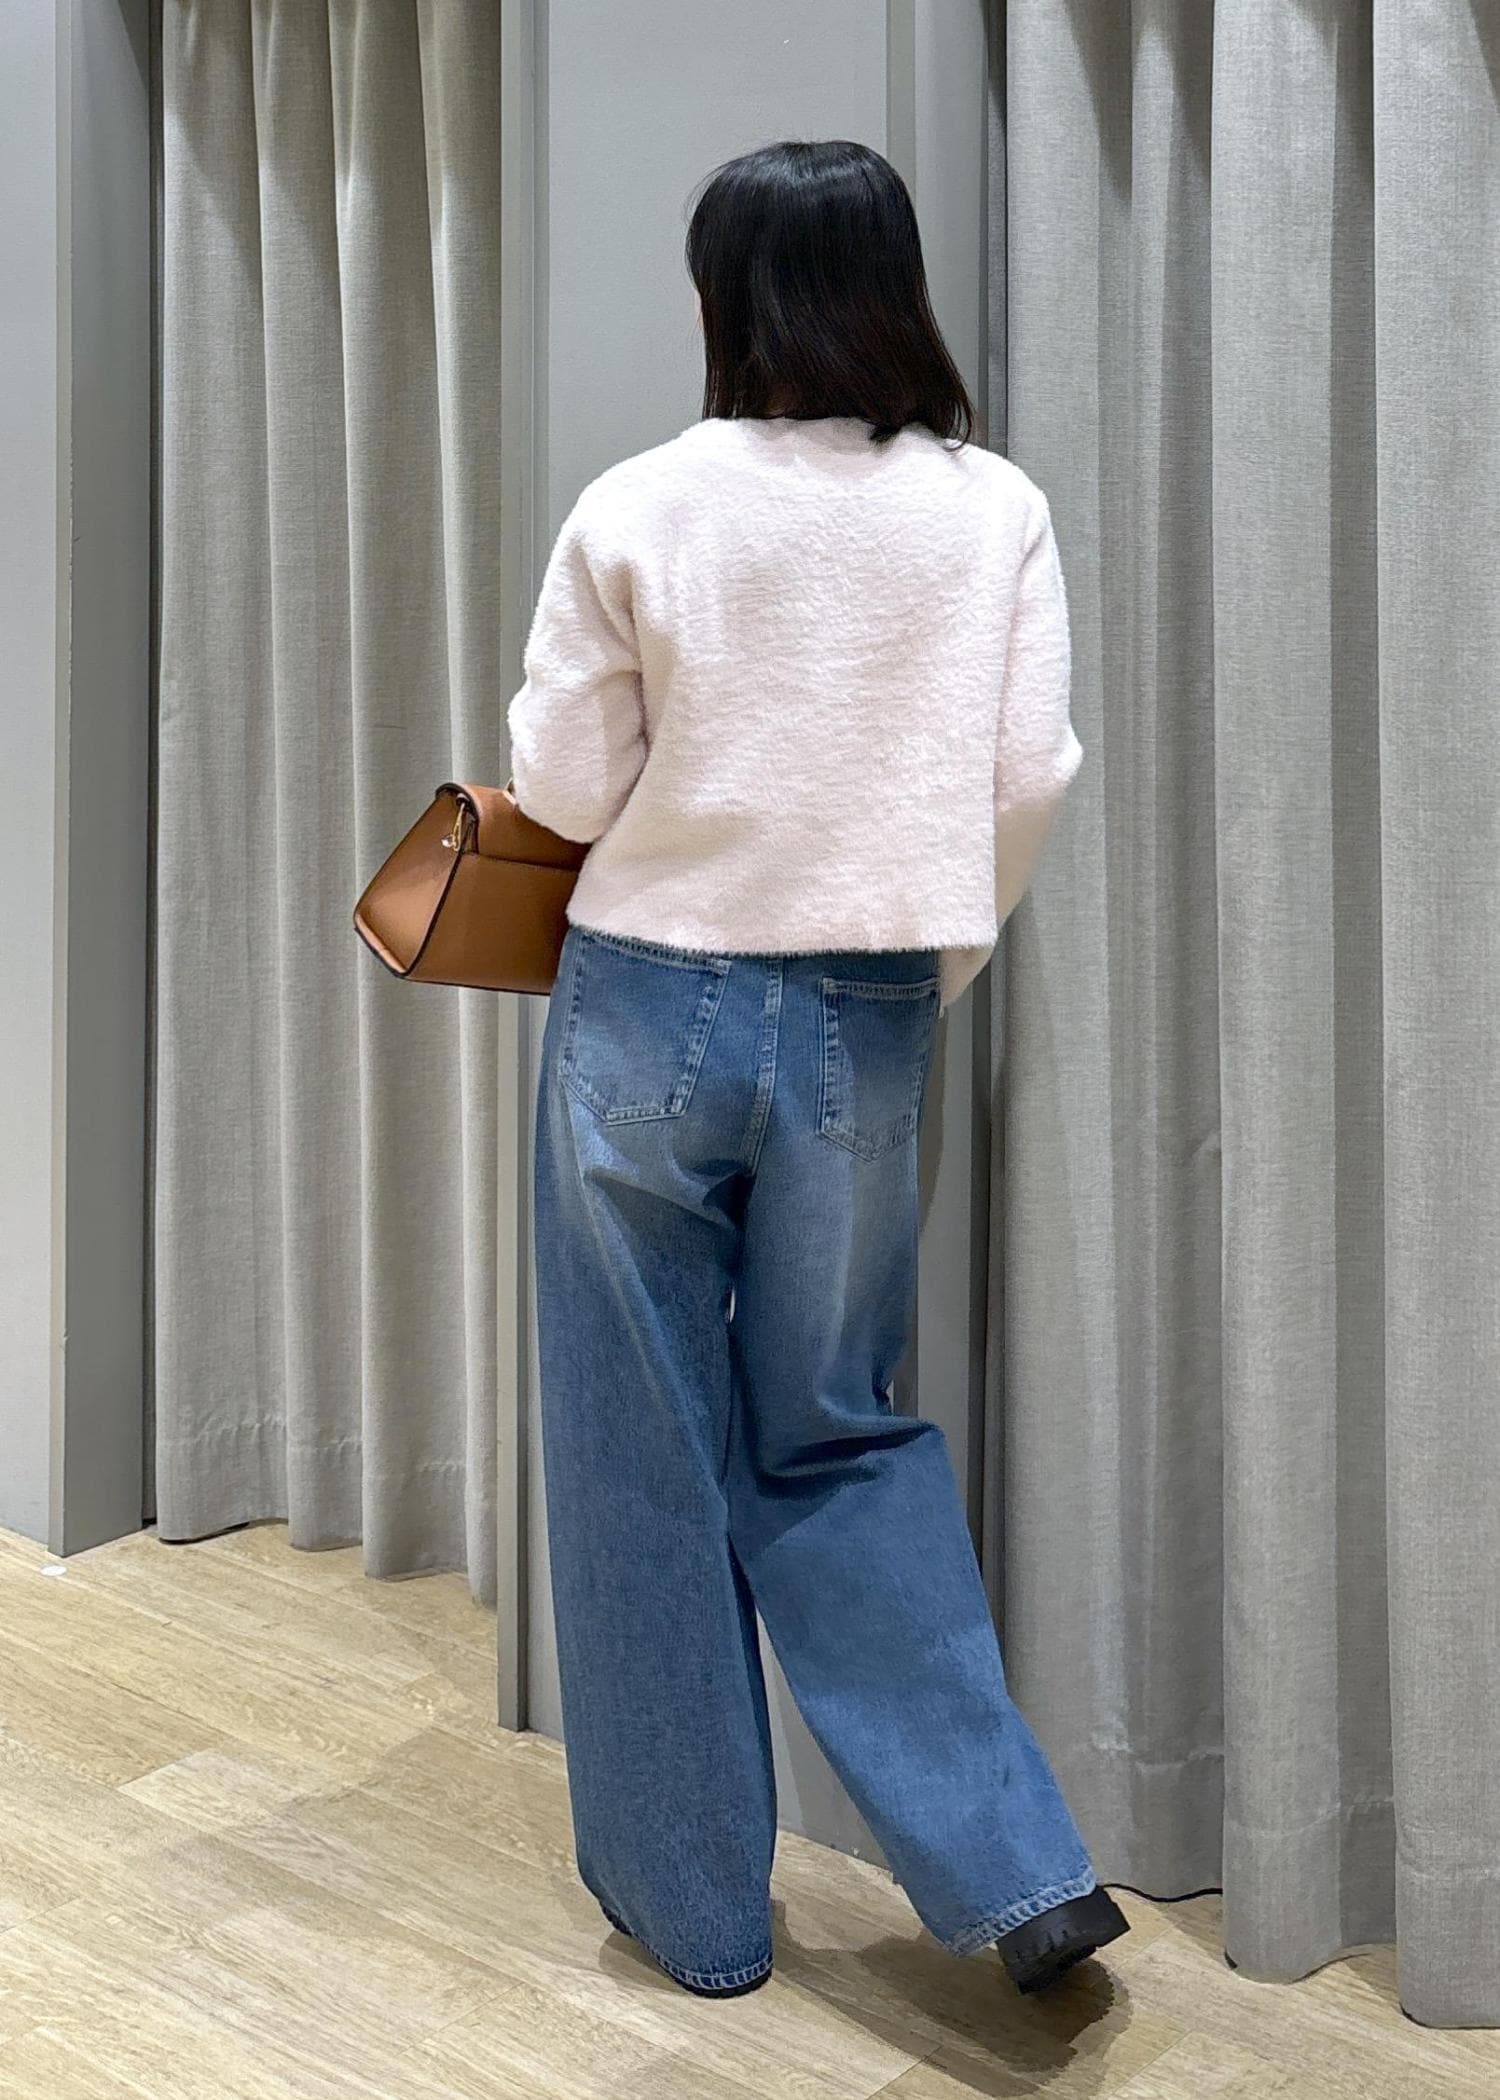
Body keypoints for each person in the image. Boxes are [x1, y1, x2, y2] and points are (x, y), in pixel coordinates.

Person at [506, 137, 1125, 2002]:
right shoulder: (989, 507)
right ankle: (1013, 1872)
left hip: (644, 998)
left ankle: (700, 1922)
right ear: (890, 286)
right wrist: (933, 956)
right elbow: (1026, 777)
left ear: (725, 296)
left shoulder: (640, 501)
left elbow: (559, 788)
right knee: (837, 1425)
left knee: (636, 1448)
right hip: (865, 1004)